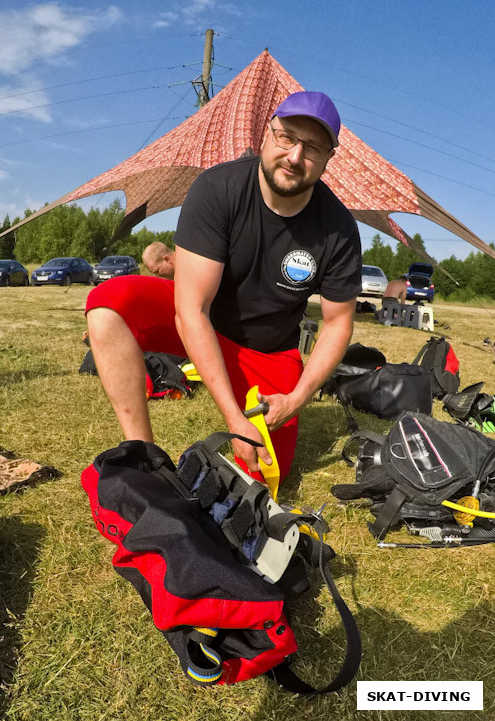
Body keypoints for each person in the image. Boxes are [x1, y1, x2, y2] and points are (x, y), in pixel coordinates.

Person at [86, 90, 362, 486]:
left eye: (313, 148)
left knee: (265, 476)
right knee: (109, 302)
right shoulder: (217, 189)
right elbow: (191, 309)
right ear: (267, 134)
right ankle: (143, 458)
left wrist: (296, 400)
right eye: (287, 137)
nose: (296, 156)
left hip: (269, 352)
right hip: (202, 326)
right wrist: (233, 417)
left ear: (328, 159)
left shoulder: (338, 228)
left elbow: (337, 324)